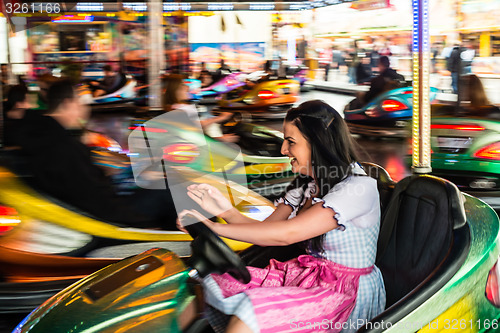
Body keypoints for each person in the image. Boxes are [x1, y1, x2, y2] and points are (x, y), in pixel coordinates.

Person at [177, 100, 386, 333]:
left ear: (318, 143)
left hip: (344, 293)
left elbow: (288, 234)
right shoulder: (307, 184)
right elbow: (267, 230)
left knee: (249, 315)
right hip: (308, 278)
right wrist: (225, 212)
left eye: (291, 142)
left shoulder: (358, 188)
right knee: (206, 284)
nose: (283, 150)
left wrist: (213, 229)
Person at [18, 79, 177, 228]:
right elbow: (95, 197)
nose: (84, 111)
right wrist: (141, 219)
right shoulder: (62, 146)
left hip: (93, 207)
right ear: (68, 104)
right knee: (171, 192)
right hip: (105, 217)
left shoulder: (45, 135)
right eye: (81, 104)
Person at [163, 75, 238, 143]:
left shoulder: (176, 107)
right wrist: (221, 118)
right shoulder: (177, 110)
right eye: (182, 85)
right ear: (173, 90)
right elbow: (195, 128)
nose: (187, 87)